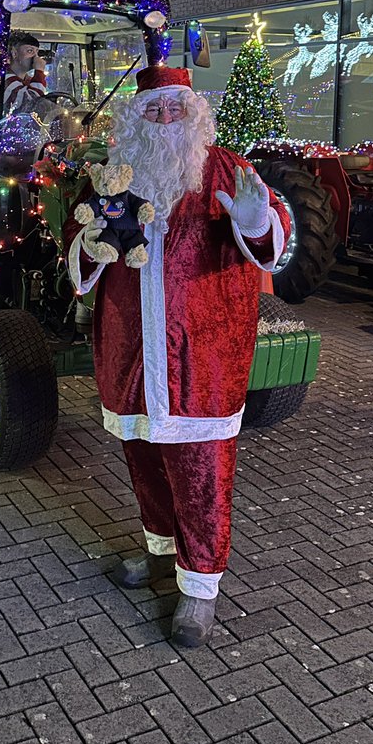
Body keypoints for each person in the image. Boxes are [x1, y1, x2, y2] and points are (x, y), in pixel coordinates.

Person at [64, 65, 290, 648]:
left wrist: (257, 220)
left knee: (201, 474)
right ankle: (160, 551)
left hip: (201, 357)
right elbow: (80, 246)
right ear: (135, 120)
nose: (165, 121)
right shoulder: (115, 177)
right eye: (154, 112)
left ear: (194, 116)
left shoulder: (226, 170)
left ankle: (200, 590)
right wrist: (87, 244)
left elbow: (273, 236)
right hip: (133, 352)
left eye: (175, 111)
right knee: (143, 458)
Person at [3, 32, 48, 112]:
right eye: (30, 51)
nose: (35, 57)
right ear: (15, 53)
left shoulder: (28, 81)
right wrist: (39, 72)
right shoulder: (6, 81)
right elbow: (31, 105)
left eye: (37, 52)